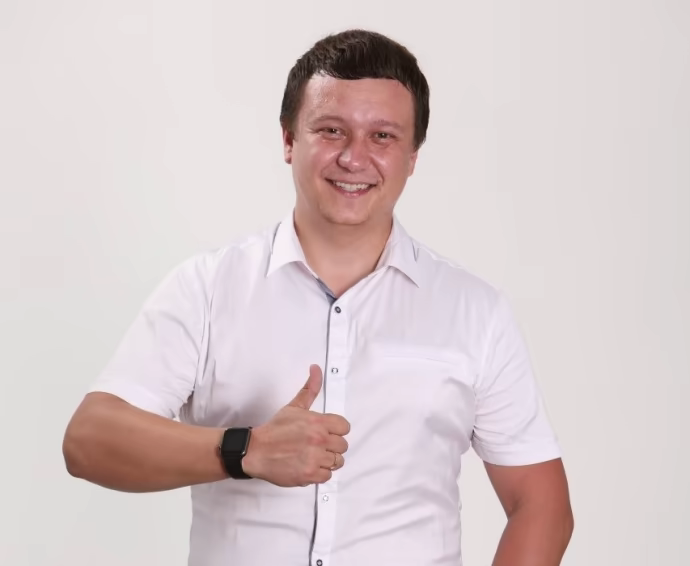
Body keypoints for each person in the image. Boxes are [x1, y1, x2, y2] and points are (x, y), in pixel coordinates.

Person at [62, 28, 573, 566]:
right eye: (331, 130)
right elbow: (89, 440)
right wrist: (244, 450)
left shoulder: (476, 312)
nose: (354, 158)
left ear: (412, 157)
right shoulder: (208, 288)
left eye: (382, 136)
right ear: (289, 140)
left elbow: (541, 505)